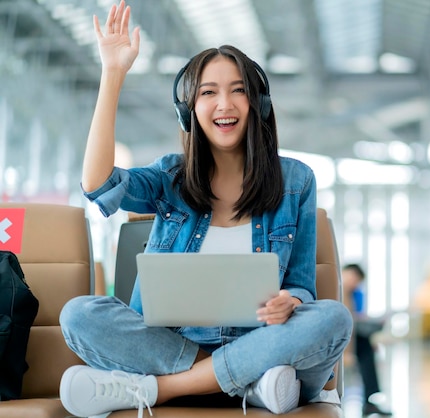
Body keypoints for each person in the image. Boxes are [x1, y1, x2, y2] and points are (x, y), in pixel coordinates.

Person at [58, 2, 352, 417]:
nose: (224, 104)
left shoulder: (297, 180)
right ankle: (249, 387)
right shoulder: (169, 177)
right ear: (189, 110)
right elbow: (98, 184)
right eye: (208, 92)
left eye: (238, 90)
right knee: (79, 314)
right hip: (187, 347)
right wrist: (112, 74)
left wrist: (292, 301)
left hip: (265, 341)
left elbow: (302, 285)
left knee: (332, 318)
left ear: (258, 105)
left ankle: (161, 390)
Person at [342, 263, 392, 416]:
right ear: (348, 273)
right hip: (336, 338)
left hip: (349, 335)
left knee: (366, 347)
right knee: (365, 348)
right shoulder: (338, 290)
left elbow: (352, 324)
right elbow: (345, 327)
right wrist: (347, 352)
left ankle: (370, 401)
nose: (356, 285)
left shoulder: (349, 293)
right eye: (355, 280)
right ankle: (369, 401)